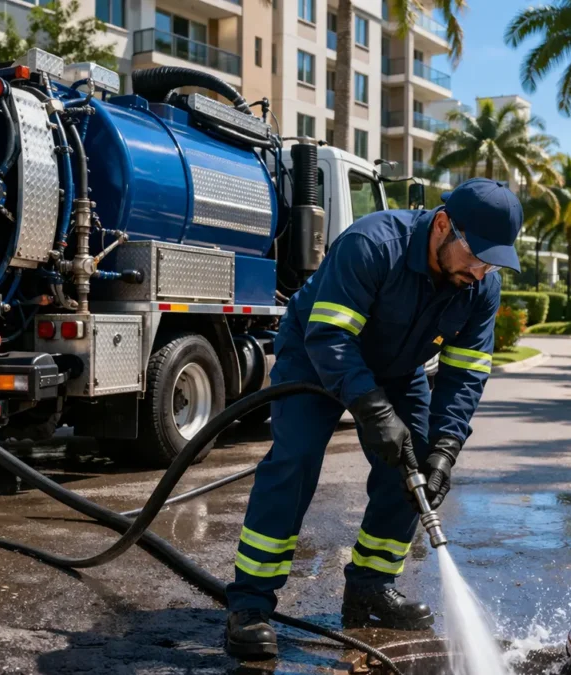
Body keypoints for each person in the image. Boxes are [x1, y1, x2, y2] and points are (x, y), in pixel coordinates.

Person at [224, 178, 523, 660]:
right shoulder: (373, 244)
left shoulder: (480, 286)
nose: (481, 268)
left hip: (398, 370)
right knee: (294, 463)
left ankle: (370, 586)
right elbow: (332, 338)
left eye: (492, 259)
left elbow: (465, 375)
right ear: (443, 225)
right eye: (476, 254)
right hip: (316, 355)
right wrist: (372, 409)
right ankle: (251, 604)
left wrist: (446, 447)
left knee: (414, 468)